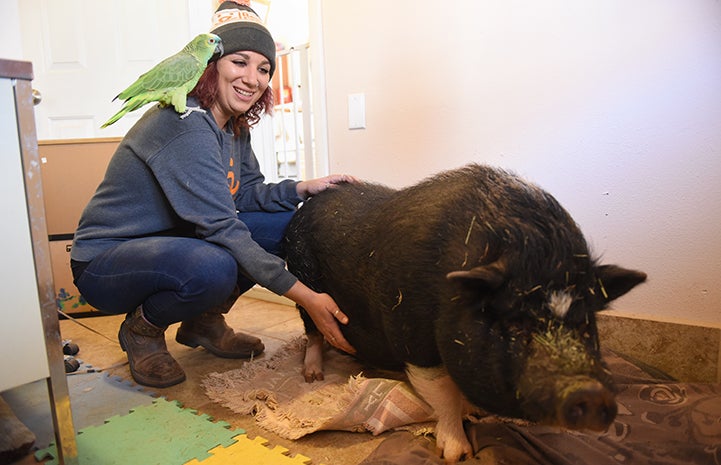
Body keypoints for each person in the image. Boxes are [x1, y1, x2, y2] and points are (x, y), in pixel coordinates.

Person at [70, 1, 356, 388]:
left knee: (286, 222)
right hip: (108, 259)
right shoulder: (184, 124)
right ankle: (142, 330)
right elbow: (224, 226)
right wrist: (308, 297)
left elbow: (247, 193)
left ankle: (203, 322)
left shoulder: (234, 127)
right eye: (240, 62)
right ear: (212, 65)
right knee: (213, 267)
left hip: (174, 245)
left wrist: (301, 188)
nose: (253, 79)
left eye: (264, 69)